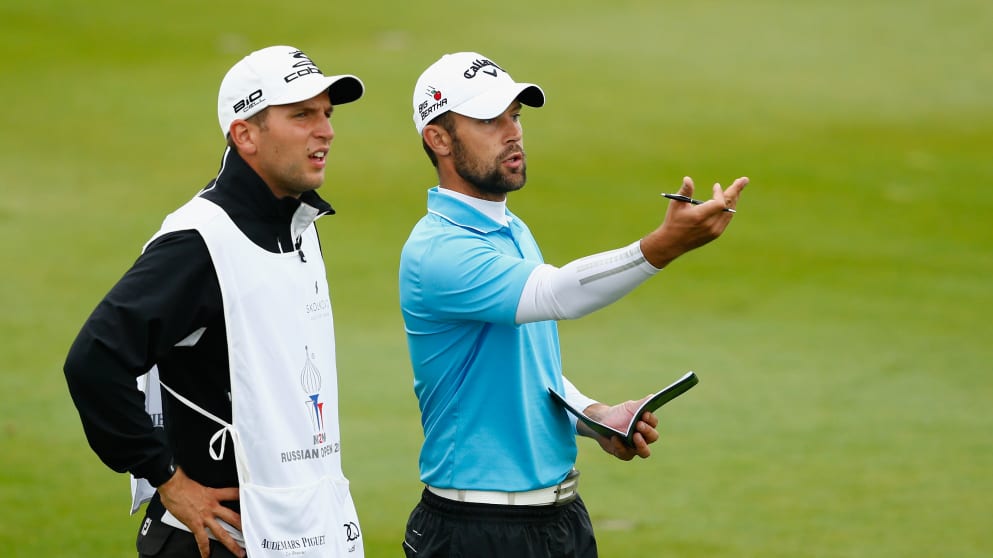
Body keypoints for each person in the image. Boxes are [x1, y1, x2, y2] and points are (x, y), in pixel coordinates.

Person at [399, 51, 748, 557]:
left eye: (515, 116)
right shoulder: (438, 250)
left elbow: (525, 371)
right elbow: (560, 292)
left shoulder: (509, 229)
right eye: (489, 120)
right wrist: (662, 246)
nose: (512, 132)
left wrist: (594, 415)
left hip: (559, 520)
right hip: (477, 529)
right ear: (439, 138)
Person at [64, 45, 367, 558]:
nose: (326, 130)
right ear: (245, 134)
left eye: (327, 114)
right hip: (218, 543)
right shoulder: (200, 243)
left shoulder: (298, 224)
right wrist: (165, 476)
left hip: (303, 532)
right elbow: (94, 361)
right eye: (301, 115)